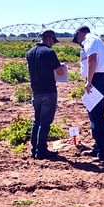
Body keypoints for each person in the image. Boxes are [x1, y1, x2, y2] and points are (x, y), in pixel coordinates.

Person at [72, 26, 104, 164]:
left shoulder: (89, 40)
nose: (78, 42)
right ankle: (98, 147)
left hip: (98, 80)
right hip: (102, 79)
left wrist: (89, 81)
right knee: (95, 115)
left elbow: (92, 59)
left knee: (96, 117)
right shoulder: (97, 41)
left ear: (80, 33)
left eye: (77, 38)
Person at [26, 29, 66, 159]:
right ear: (49, 38)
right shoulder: (49, 52)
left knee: (36, 121)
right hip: (48, 91)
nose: (53, 44)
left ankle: (34, 149)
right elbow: (60, 73)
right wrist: (61, 66)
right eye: (53, 41)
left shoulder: (30, 52)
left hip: (36, 91)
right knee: (45, 122)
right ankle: (41, 150)